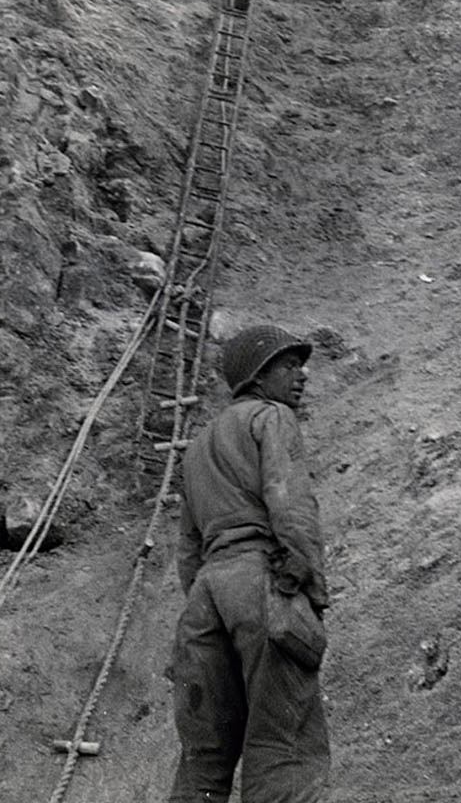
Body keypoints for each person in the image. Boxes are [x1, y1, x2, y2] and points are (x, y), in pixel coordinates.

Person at [168, 324, 330, 803]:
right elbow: (287, 501)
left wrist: (208, 599)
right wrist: (308, 586)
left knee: (203, 763)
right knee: (284, 749)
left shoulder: (197, 448)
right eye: (288, 366)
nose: (301, 376)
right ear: (258, 376)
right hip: (258, 583)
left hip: (205, 597)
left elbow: (187, 550)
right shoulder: (272, 417)